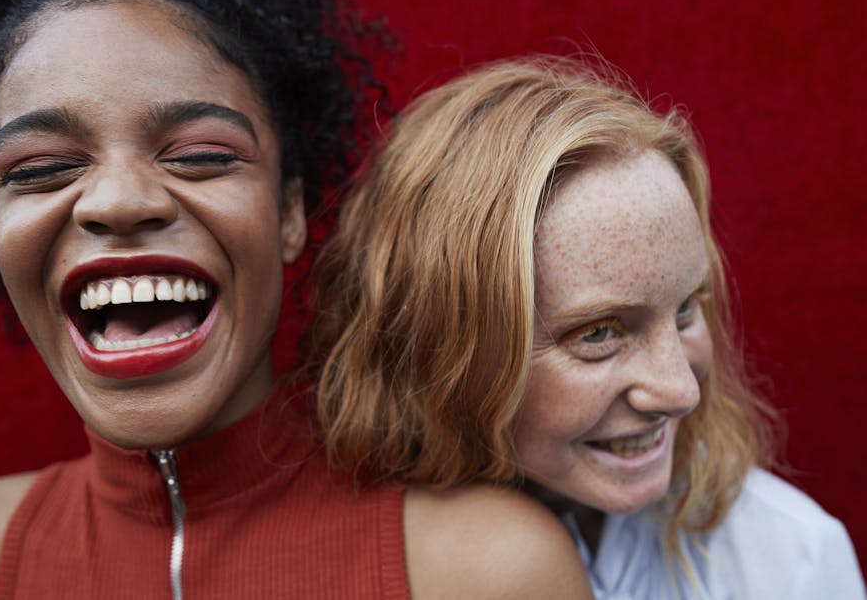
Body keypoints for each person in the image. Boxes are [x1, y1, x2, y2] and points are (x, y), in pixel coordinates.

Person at [0, 0, 594, 599]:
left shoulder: (483, 568)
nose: (118, 201)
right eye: (43, 168)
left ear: (288, 212)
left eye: (200, 154)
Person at [308, 56, 867, 599]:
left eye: (685, 309)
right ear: (442, 346)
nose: (680, 391)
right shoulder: (332, 554)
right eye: (599, 334)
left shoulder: (789, 564)